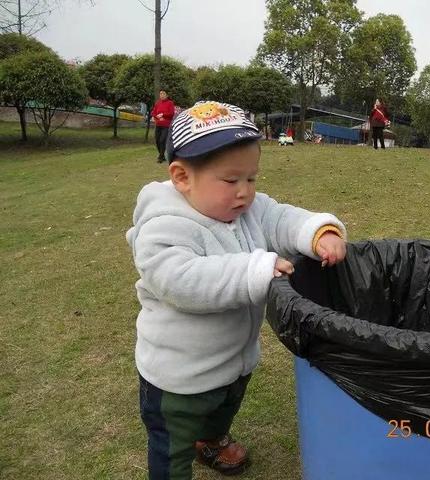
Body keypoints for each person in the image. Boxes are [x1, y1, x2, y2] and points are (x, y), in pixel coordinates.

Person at [126, 100, 347, 479]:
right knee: (171, 449)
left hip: (233, 360)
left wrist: (318, 232)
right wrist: (256, 268)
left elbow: (280, 217)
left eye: (252, 178)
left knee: (225, 405)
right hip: (179, 377)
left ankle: (211, 440)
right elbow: (182, 281)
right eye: (231, 181)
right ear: (182, 177)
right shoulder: (163, 226)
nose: (245, 192)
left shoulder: (246, 207)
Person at [150, 90, 176, 163]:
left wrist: (163, 115)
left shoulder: (170, 103)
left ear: (167, 95)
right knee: (157, 140)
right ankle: (162, 155)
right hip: (158, 124)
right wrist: (157, 116)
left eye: (163, 94)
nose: (162, 95)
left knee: (162, 140)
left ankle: (161, 157)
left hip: (166, 125)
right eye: (160, 94)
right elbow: (153, 112)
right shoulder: (158, 103)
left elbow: (171, 113)